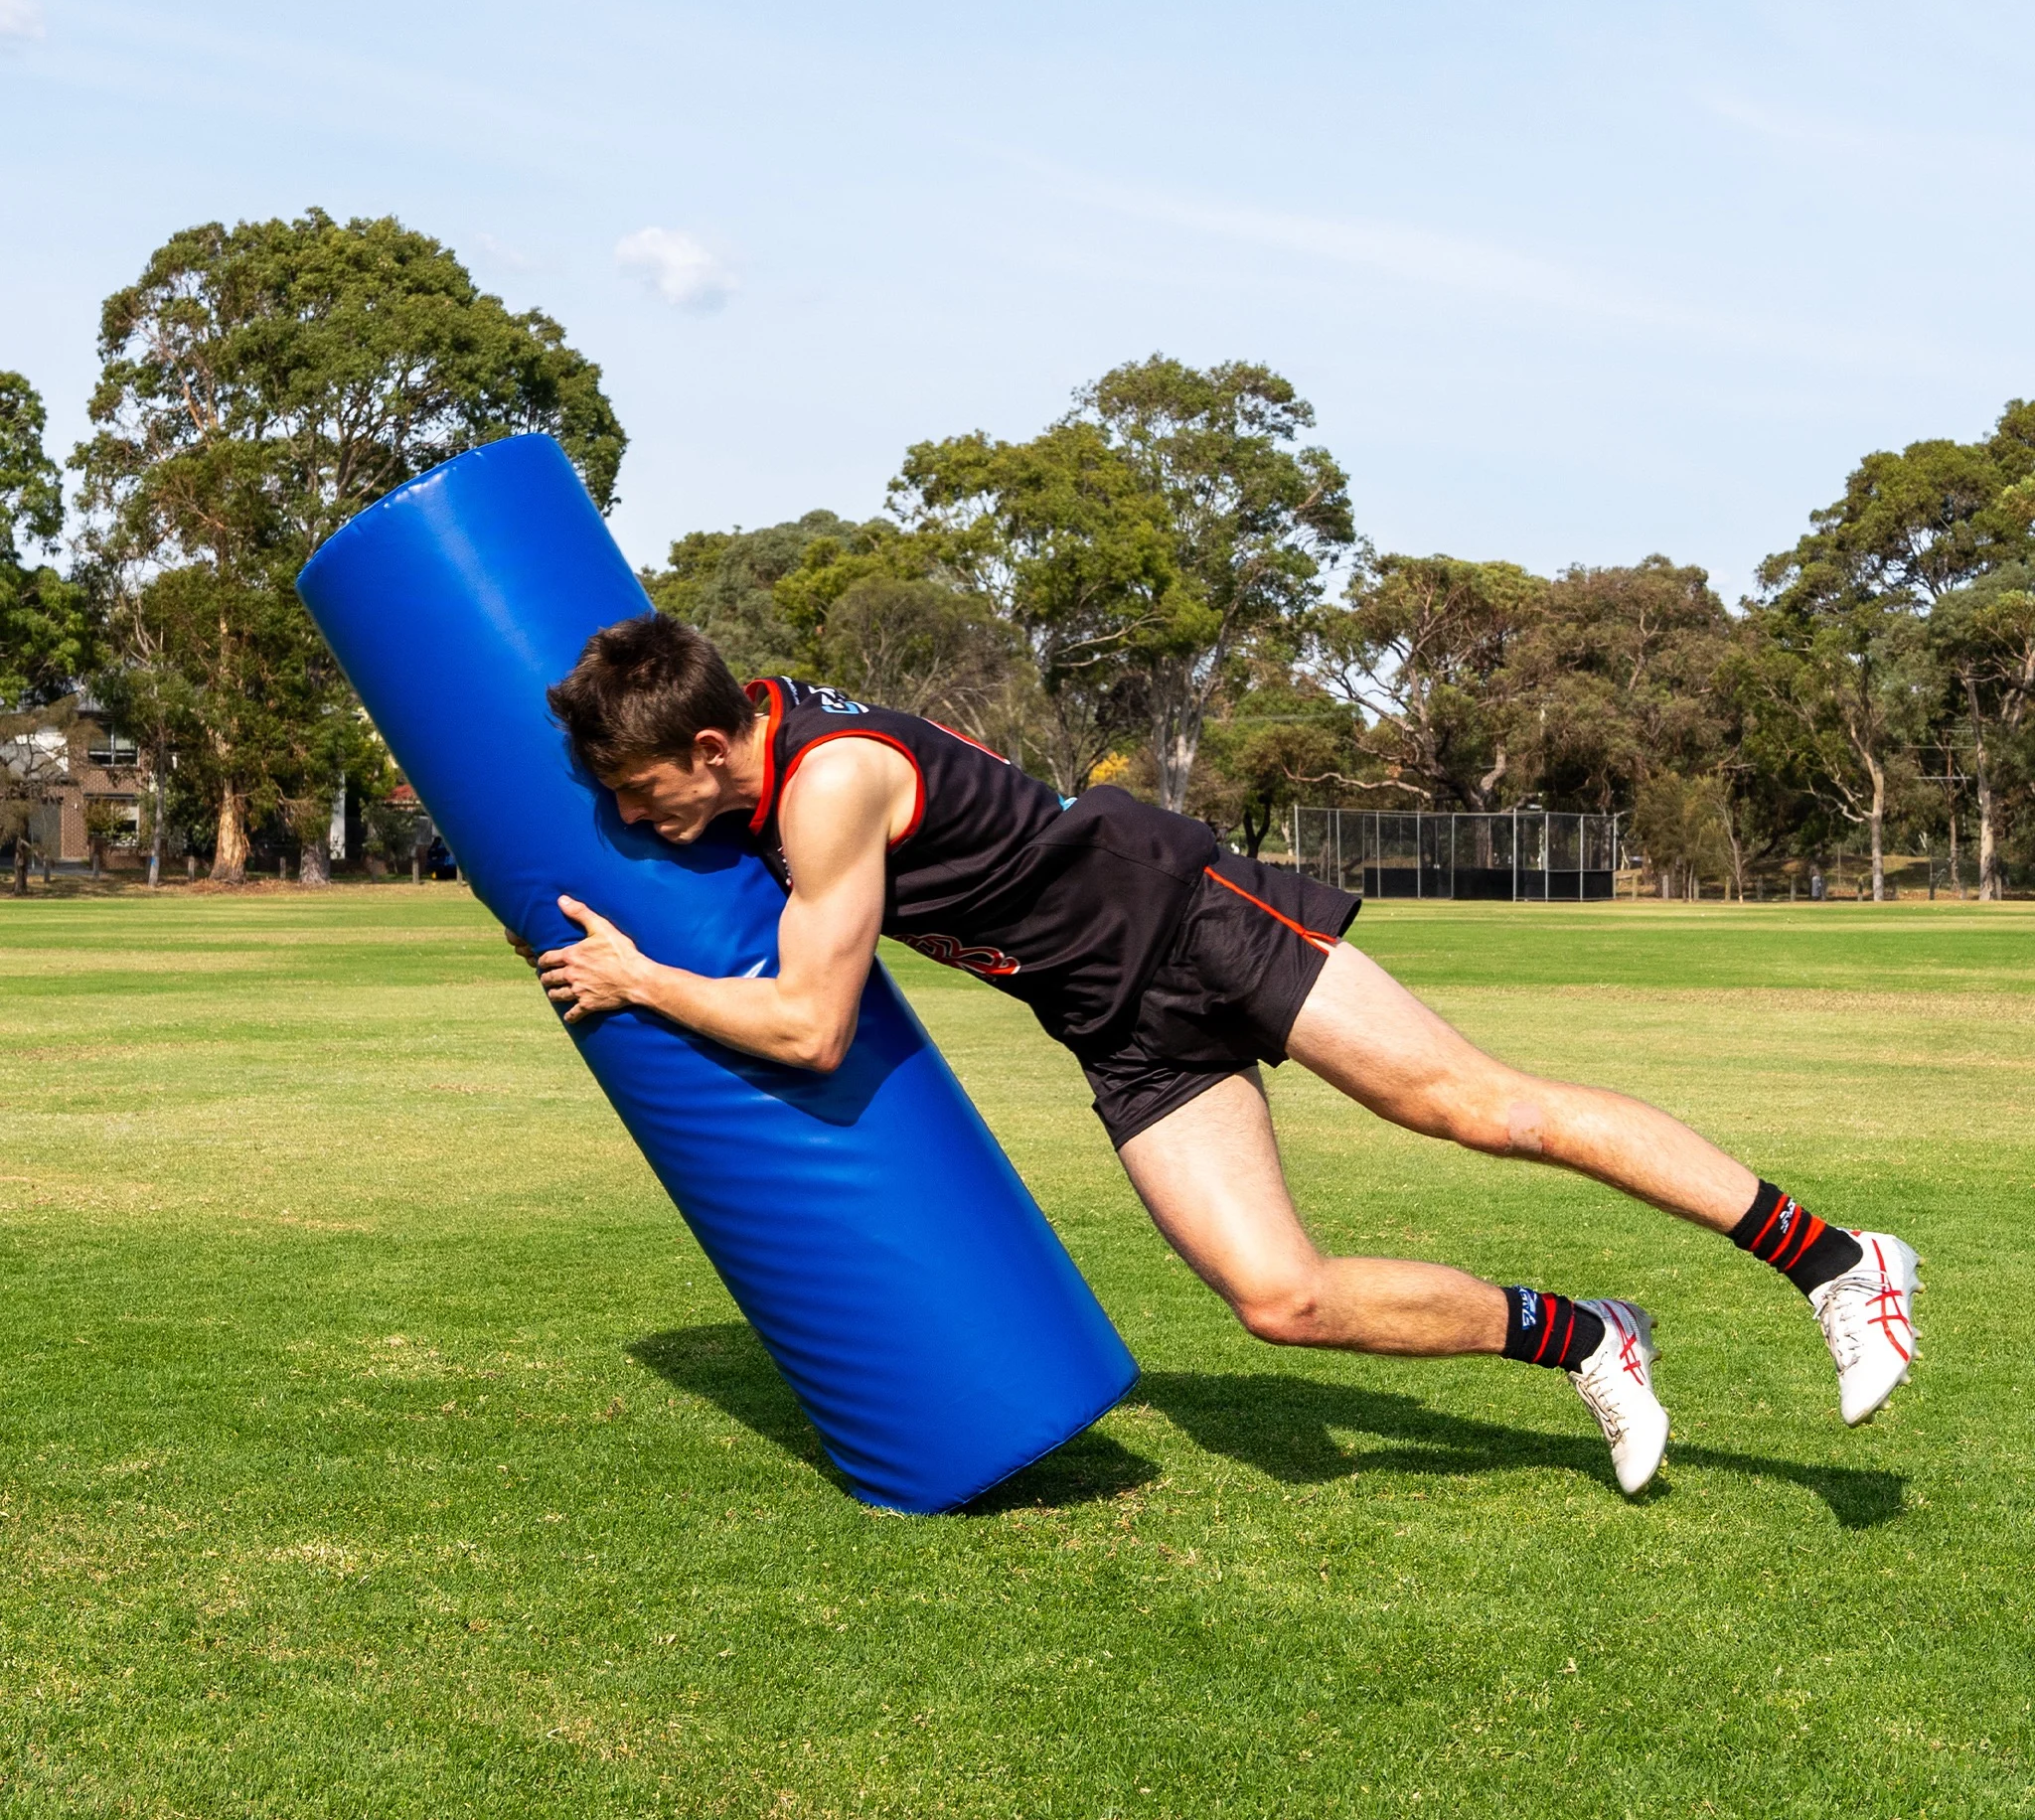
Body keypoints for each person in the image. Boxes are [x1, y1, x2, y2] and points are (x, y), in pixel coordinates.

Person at [513, 615, 1921, 1496]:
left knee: (1478, 1108)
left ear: (711, 745)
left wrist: (643, 977)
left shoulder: (825, 785)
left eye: (645, 796)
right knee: (1280, 1301)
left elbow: (813, 1026)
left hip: (1192, 922)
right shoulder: (754, 736)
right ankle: (1590, 1334)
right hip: (1114, 1020)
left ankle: (1839, 1260)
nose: (646, 824)